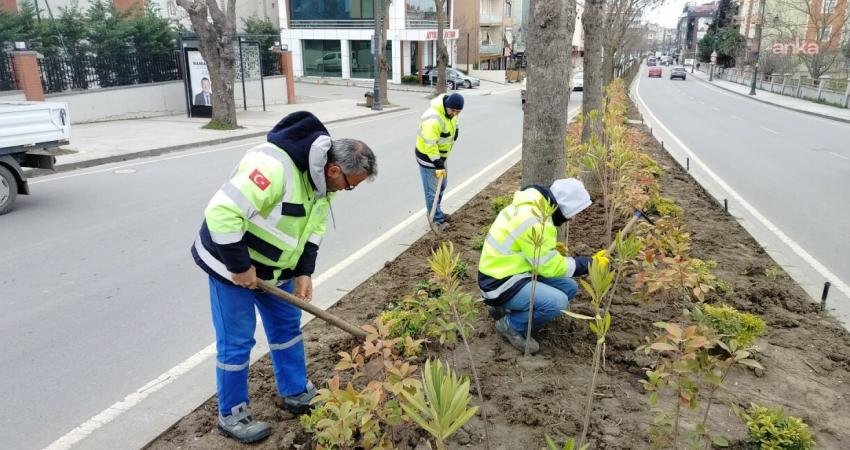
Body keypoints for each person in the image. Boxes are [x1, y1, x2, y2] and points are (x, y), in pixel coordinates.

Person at [191, 111, 378, 443]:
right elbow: (222, 213)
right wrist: (239, 266)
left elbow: (314, 229)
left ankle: (294, 390)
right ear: (335, 170)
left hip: (275, 270)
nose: (346, 191)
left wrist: (305, 271)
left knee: (287, 329)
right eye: (350, 185)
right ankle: (231, 413)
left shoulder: (323, 185)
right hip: (228, 266)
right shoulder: (273, 167)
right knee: (237, 342)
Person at [477, 178, 601, 354]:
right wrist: (588, 264)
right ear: (563, 206)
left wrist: (550, 250)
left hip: (507, 273)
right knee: (558, 302)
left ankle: (503, 308)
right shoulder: (535, 220)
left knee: (570, 287)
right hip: (499, 284)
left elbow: (531, 254)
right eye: (572, 213)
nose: (572, 219)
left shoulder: (531, 206)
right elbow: (548, 267)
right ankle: (510, 325)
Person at [414, 92, 463, 231]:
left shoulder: (451, 114)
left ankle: (436, 210)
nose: (455, 114)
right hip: (428, 159)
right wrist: (438, 164)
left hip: (441, 158)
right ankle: (436, 220)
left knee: (442, 186)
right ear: (447, 106)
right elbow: (430, 145)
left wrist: (456, 130)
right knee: (432, 191)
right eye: (453, 111)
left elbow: (453, 124)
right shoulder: (433, 119)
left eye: (458, 112)